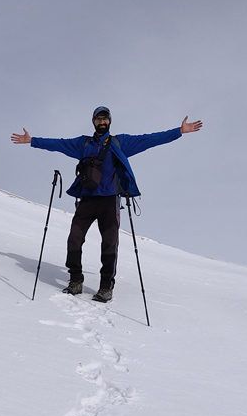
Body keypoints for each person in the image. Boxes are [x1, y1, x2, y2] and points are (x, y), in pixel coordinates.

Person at [11, 106, 202, 302]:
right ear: (93, 122)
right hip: (87, 199)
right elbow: (58, 144)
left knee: (110, 244)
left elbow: (150, 139)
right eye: (98, 119)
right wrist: (32, 141)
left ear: (109, 121)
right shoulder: (83, 143)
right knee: (74, 239)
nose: (102, 123)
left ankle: (106, 286)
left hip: (110, 199)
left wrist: (178, 132)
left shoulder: (121, 142)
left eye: (105, 119)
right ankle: (75, 280)